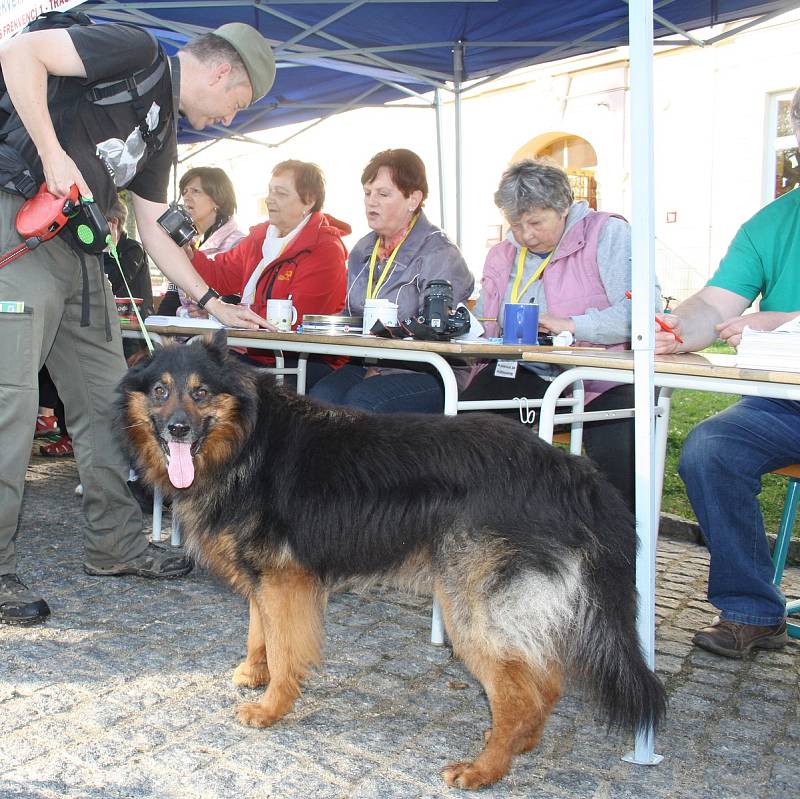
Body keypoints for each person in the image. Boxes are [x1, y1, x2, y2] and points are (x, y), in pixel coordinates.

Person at [0, 19, 276, 625]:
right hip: (20, 219)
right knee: (11, 403)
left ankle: (116, 545)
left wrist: (209, 299)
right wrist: (52, 155)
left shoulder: (163, 132)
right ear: (222, 71)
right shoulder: (138, 51)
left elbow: (153, 226)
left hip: (81, 251)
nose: (231, 117)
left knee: (115, 400)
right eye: (237, 104)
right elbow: (21, 53)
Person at [655, 88, 800, 659]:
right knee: (712, 446)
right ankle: (751, 611)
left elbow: (763, 317)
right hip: (784, 403)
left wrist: (783, 320)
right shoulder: (775, 220)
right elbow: (716, 306)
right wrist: (673, 326)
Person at [461, 159, 657, 509]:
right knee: (467, 433)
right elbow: (484, 320)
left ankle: (623, 549)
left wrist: (571, 325)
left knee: (617, 458)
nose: (526, 235)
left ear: (564, 206)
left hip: (605, 376)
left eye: (536, 222)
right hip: (527, 370)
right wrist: (463, 326)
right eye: (515, 225)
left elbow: (642, 313)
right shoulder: (504, 252)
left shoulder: (609, 234)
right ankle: (495, 530)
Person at [310, 148, 474, 413]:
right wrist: (318, 325)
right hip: (370, 362)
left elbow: (436, 330)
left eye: (383, 194)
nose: (371, 202)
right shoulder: (363, 250)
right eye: (367, 193)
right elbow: (354, 316)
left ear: (413, 199)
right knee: (319, 399)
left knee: (363, 404)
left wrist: (384, 367)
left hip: (430, 371)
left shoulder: (439, 253)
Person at [187, 159, 349, 384]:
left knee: (207, 383)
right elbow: (220, 276)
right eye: (270, 191)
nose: (270, 199)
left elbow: (295, 321)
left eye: (281, 193)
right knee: (189, 371)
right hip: (256, 351)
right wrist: (189, 253)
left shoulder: (325, 248)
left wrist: (224, 313)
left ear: (309, 201)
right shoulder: (259, 237)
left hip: (305, 360)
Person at [158, 166, 245, 316]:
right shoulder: (186, 241)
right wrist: (160, 332)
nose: (186, 197)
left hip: (221, 335)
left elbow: (237, 298)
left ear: (218, 200)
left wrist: (211, 313)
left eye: (195, 191)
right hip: (184, 331)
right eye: (184, 191)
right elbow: (172, 296)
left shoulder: (238, 243)